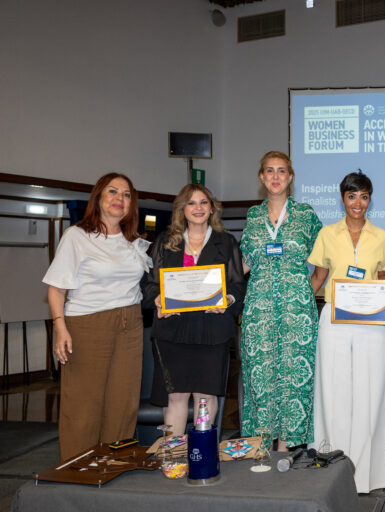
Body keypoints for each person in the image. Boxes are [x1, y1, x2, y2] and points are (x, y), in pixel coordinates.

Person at [43, 173, 151, 461]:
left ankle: (113, 464)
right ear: (99, 198)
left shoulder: (133, 241)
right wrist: (60, 328)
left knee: (123, 402)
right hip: (88, 324)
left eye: (126, 194)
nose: (120, 199)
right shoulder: (77, 236)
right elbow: (55, 289)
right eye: (113, 192)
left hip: (130, 324)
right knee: (84, 403)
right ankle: (78, 468)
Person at [308, 170, 385, 493]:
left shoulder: (381, 236)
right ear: (342, 198)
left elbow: (384, 278)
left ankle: (369, 474)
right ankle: (332, 469)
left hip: (371, 321)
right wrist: (297, 303)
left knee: (370, 393)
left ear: (369, 199)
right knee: (334, 391)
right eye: (351, 196)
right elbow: (318, 279)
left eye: (363, 196)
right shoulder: (327, 234)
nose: (357, 202)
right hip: (333, 318)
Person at [142, 184, 245, 438]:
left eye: (203, 202)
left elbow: (238, 286)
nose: (198, 208)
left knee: (205, 396)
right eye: (191, 203)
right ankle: (174, 458)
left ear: (211, 208)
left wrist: (227, 300)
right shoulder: (166, 242)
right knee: (175, 397)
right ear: (182, 209)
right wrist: (157, 300)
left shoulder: (226, 242)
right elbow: (148, 284)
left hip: (212, 332)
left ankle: (202, 455)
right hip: (172, 332)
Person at [239, 151, 322, 451]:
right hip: (258, 311)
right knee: (260, 380)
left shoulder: (306, 215)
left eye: (282, 171)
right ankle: (260, 448)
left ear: (291, 177)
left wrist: (307, 289)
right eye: (270, 171)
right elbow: (243, 264)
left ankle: (285, 449)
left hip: (297, 313)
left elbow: (323, 259)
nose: (276, 176)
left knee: (293, 380)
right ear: (262, 177)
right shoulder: (252, 216)